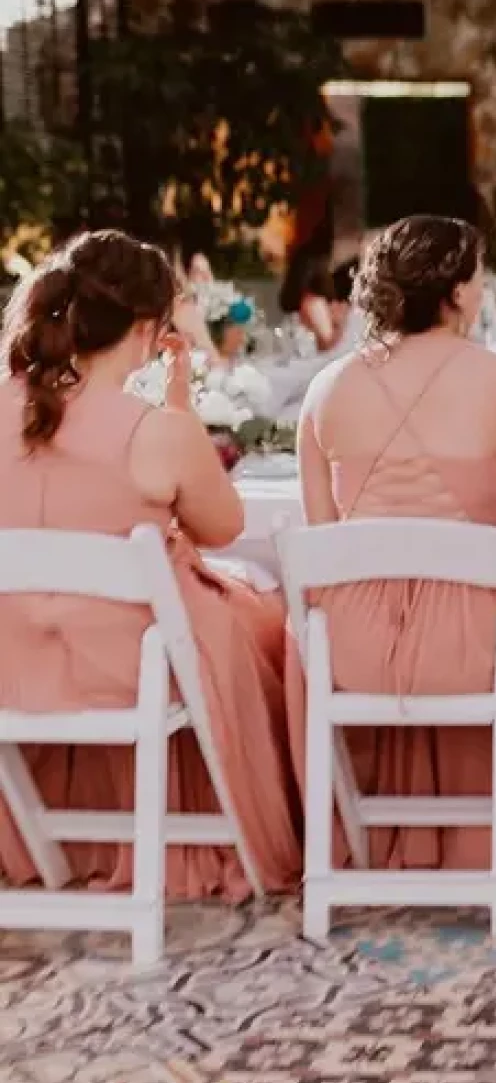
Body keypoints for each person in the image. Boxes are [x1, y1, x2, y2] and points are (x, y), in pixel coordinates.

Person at [0, 231, 299, 897]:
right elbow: (225, 526)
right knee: (269, 628)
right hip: (127, 666)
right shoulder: (155, 428)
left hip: (13, 663)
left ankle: (60, 837)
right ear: (146, 329)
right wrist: (180, 401)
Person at [293, 216, 496, 877]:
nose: (480, 293)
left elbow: (323, 537)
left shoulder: (325, 389)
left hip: (351, 647)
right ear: (452, 292)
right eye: (475, 279)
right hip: (478, 641)